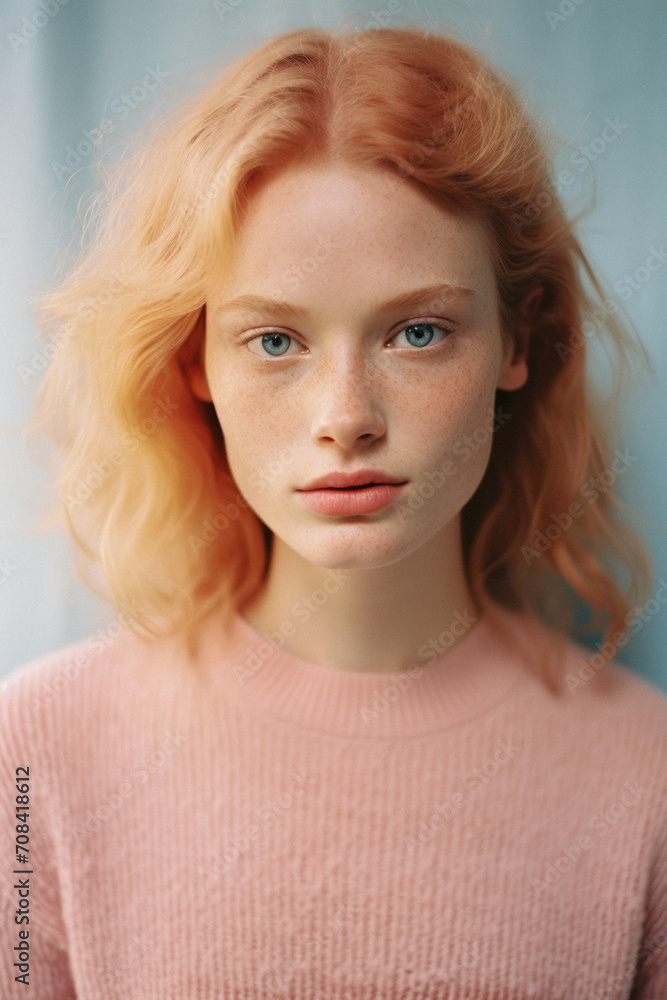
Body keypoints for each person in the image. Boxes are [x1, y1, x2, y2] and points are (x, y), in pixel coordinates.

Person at [1, 23, 666, 999]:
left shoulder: (644, 772)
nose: (345, 418)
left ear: (517, 343)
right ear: (197, 365)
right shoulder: (36, 755)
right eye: (274, 340)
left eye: (418, 331)